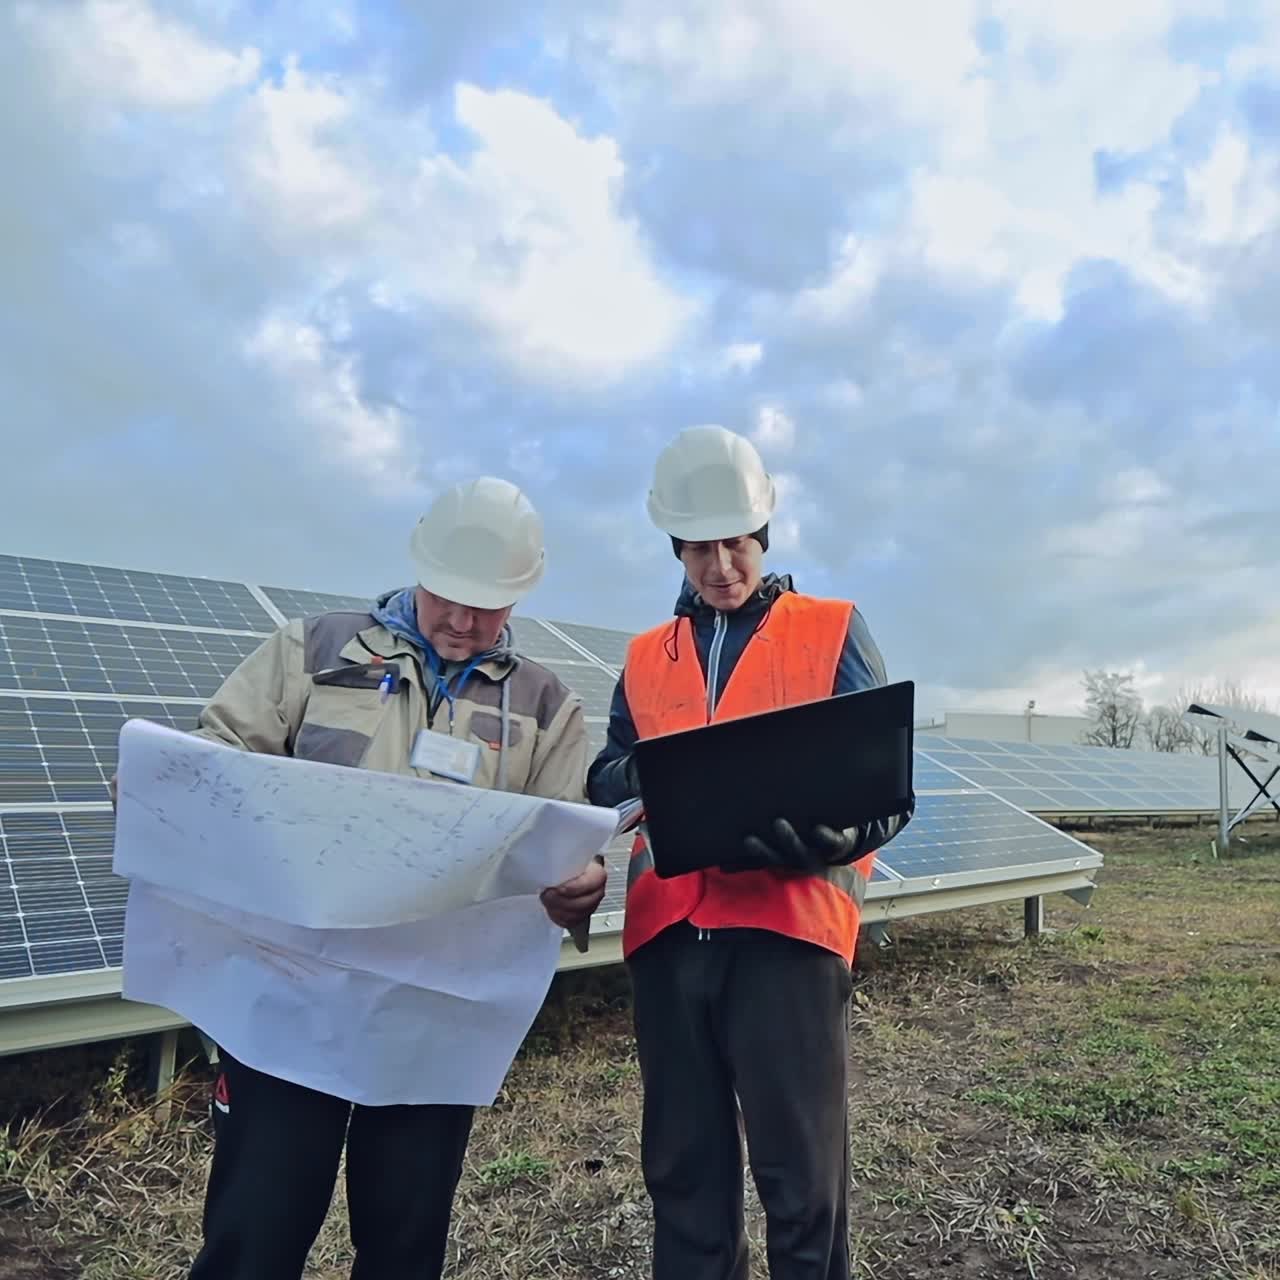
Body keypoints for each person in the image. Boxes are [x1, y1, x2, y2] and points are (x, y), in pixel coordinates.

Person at [113, 476, 607, 1280]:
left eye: (487, 605)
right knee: (255, 1231)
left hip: (431, 1019)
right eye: (448, 595)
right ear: (419, 566)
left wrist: (579, 884)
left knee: (405, 1243)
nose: (461, 620)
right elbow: (219, 757)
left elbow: (567, 840)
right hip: (287, 999)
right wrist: (161, 791)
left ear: (521, 595)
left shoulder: (548, 706)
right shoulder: (313, 651)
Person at [587, 425, 914, 1280]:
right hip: (668, 943)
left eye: (735, 543)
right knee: (684, 1175)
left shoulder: (834, 630)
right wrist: (668, 774)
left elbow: (886, 788)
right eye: (700, 548)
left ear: (762, 536)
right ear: (677, 548)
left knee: (802, 1181)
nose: (720, 565)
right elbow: (608, 775)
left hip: (789, 934)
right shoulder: (643, 657)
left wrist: (843, 834)